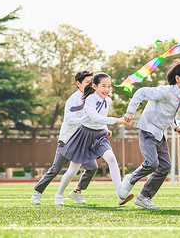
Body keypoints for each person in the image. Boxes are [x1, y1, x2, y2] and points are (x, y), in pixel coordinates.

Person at [119, 59, 180, 209]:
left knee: (165, 166)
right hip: (148, 128)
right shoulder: (165, 91)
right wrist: (130, 111)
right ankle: (130, 180)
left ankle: (144, 197)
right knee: (152, 163)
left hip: (161, 133)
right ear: (178, 79)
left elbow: (170, 115)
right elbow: (140, 92)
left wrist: (176, 126)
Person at [56, 72, 133, 206]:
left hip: (99, 136)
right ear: (94, 86)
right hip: (84, 136)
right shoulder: (90, 99)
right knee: (72, 171)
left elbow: (101, 119)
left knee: (111, 158)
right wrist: (118, 120)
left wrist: (105, 129)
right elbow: (95, 118)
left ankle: (120, 194)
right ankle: (59, 194)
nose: (107, 90)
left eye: (109, 86)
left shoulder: (107, 101)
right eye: (103, 86)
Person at [31, 70, 98, 205]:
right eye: (87, 82)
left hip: (83, 142)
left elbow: (97, 118)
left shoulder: (94, 98)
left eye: (92, 82)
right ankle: (37, 192)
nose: (90, 85)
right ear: (78, 83)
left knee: (92, 167)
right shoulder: (72, 100)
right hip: (67, 140)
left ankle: (77, 192)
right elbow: (69, 119)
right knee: (56, 169)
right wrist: (84, 120)